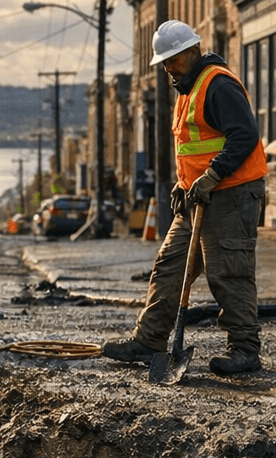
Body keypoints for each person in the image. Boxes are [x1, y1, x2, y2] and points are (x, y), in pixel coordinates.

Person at [102, 20, 267, 376]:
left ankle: (244, 349)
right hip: (197, 195)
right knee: (170, 265)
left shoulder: (218, 85)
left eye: (174, 60)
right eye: (165, 61)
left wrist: (211, 176)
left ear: (193, 52)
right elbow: (195, 147)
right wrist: (184, 181)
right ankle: (149, 340)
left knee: (229, 272)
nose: (167, 67)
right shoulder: (187, 89)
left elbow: (244, 137)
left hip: (231, 193)